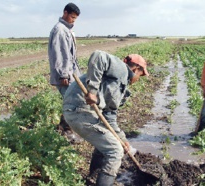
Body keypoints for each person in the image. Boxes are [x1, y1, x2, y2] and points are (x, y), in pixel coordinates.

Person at [63, 50, 149, 186]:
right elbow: (98, 56)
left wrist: (122, 139)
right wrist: (92, 90)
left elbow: (109, 116)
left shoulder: (121, 87)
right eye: (140, 75)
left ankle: (92, 179)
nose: (138, 79)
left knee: (108, 142)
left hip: (81, 112)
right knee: (115, 152)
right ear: (136, 68)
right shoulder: (122, 69)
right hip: (79, 109)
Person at [48, 3, 81, 132]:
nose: (73, 20)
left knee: (72, 101)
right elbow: (59, 54)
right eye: (72, 17)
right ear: (65, 13)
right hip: (64, 75)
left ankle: (65, 127)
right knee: (72, 102)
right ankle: (65, 129)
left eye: (75, 18)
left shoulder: (67, 30)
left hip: (70, 73)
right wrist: (63, 74)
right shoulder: (60, 30)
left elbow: (70, 56)